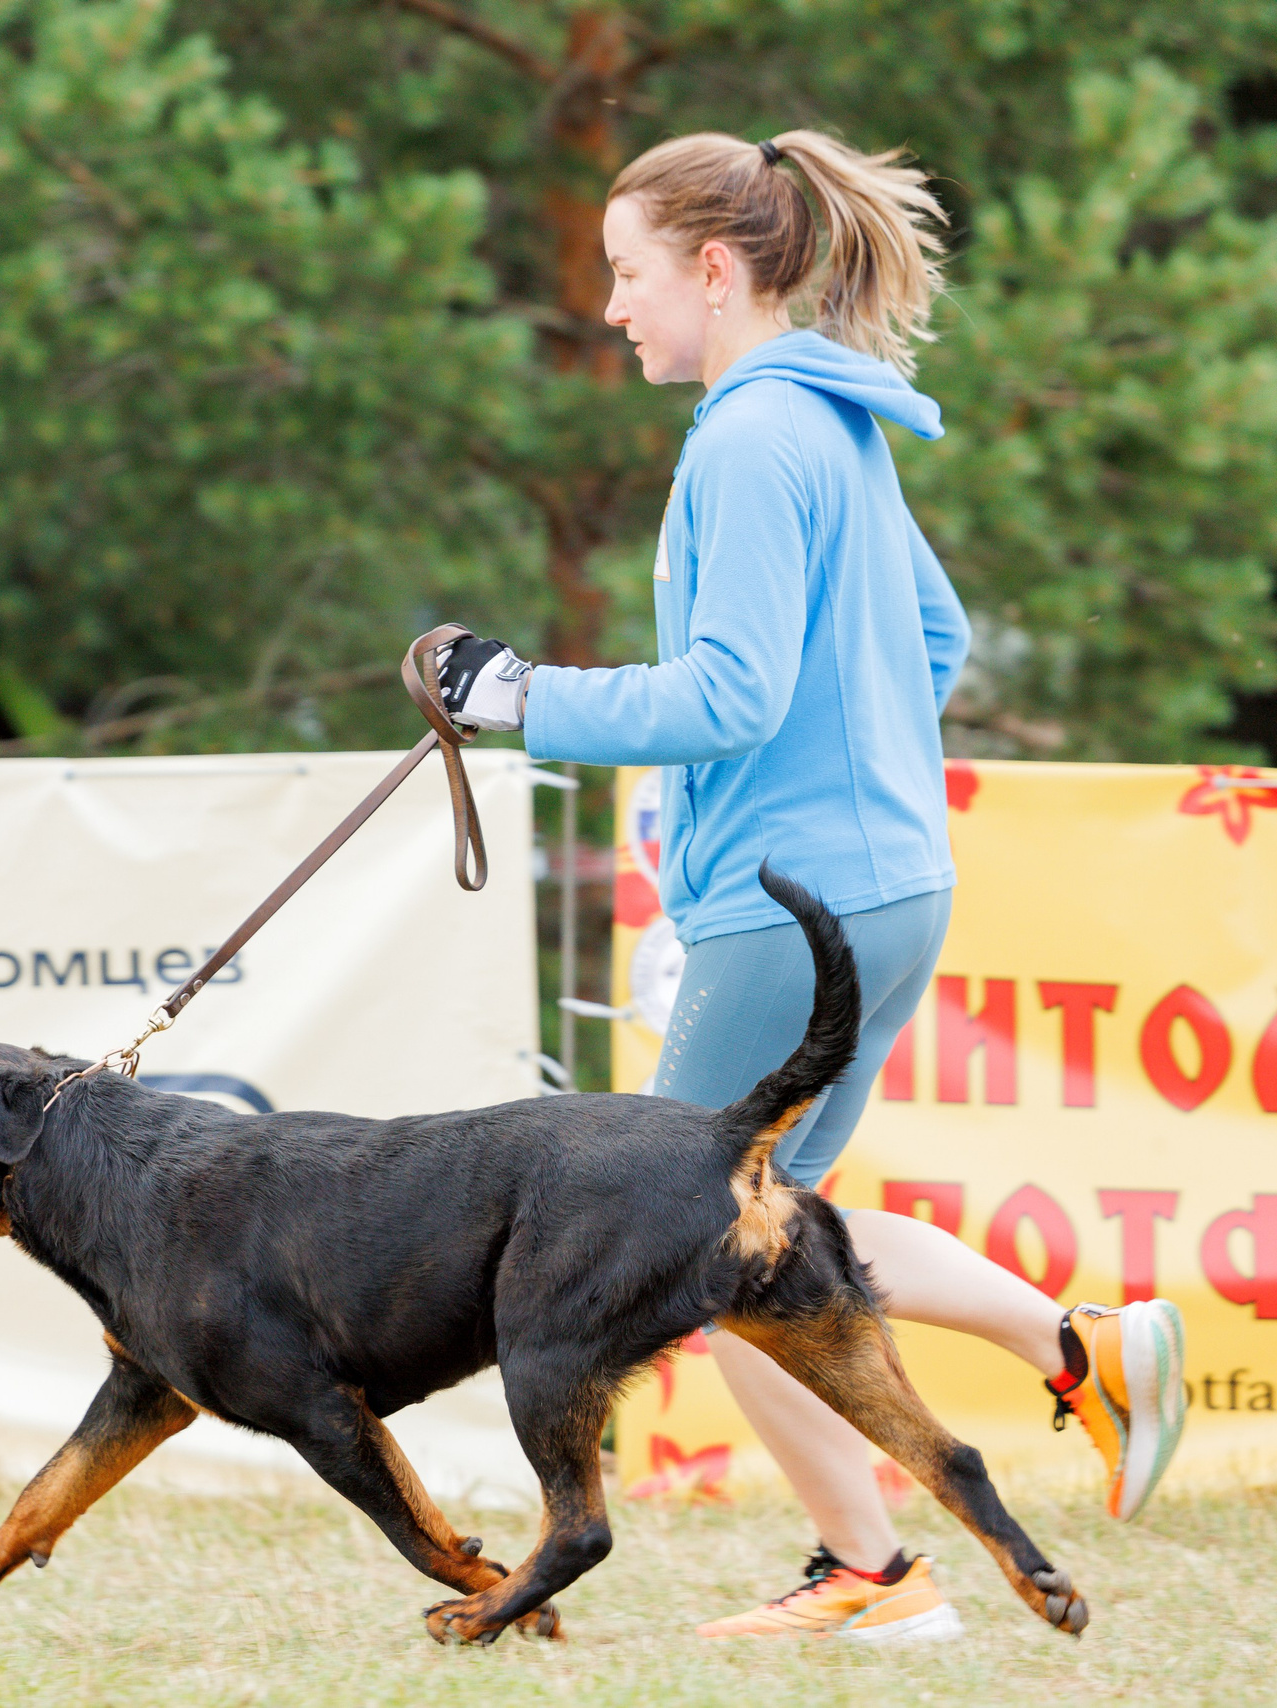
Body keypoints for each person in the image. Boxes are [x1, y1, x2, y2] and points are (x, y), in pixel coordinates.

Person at [434, 129, 1186, 1645]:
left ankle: (897, 1552)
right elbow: (934, 640)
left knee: (702, 1243)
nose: (611, 308)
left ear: (713, 271)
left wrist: (520, 696)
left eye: (629, 274)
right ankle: (1035, 1398)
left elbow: (727, 697)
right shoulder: (826, 421)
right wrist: (857, 794)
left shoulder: (750, 437)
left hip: (792, 906)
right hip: (879, 882)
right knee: (771, 1229)